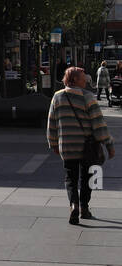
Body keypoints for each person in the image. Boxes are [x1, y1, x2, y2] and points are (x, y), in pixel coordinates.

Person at [47, 65, 115, 224]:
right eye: (84, 78)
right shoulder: (88, 97)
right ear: (75, 79)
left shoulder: (57, 97)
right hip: (87, 147)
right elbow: (99, 124)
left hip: (67, 145)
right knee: (88, 177)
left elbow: (52, 123)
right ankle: (84, 208)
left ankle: (73, 205)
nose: (86, 80)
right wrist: (109, 145)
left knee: (70, 177)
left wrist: (53, 143)